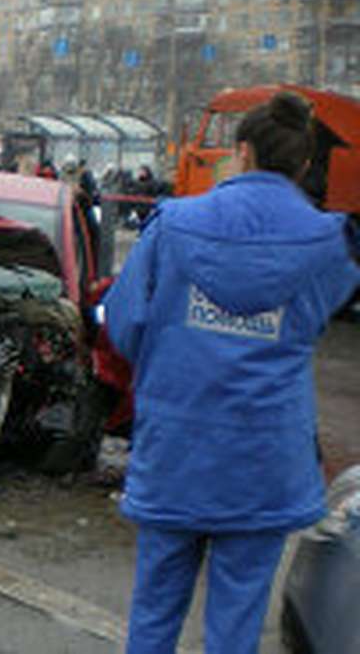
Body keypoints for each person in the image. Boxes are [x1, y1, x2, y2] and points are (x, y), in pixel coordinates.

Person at [103, 92, 360, 654]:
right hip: (265, 459)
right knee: (237, 623)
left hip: (176, 450)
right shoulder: (329, 243)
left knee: (153, 612)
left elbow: (123, 326)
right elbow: (322, 311)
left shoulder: (172, 226)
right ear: (307, 164)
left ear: (241, 153)